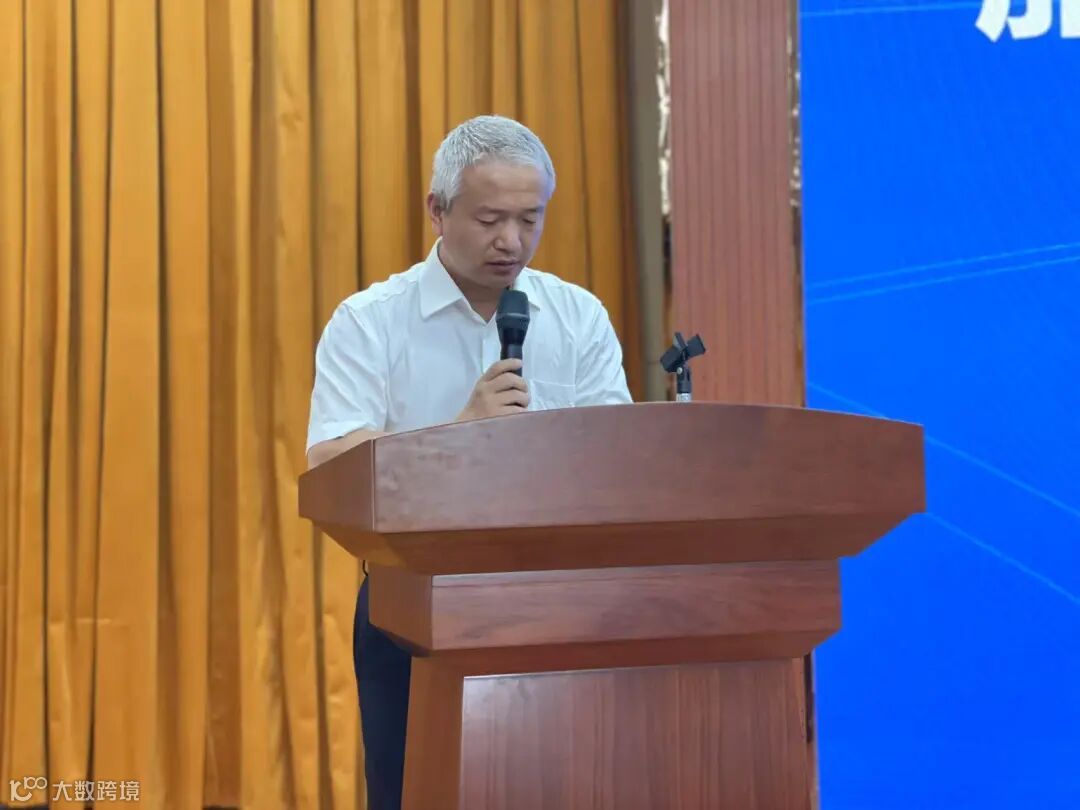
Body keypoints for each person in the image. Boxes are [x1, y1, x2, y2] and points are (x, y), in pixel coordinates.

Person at [304, 114, 632, 810]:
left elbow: (621, 461)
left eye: (529, 218)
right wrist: (458, 438)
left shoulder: (578, 318)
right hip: (412, 606)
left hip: (559, 604)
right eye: (489, 219)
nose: (511, 240)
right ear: (437, 209)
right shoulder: (370, 322)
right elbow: (331, 465)